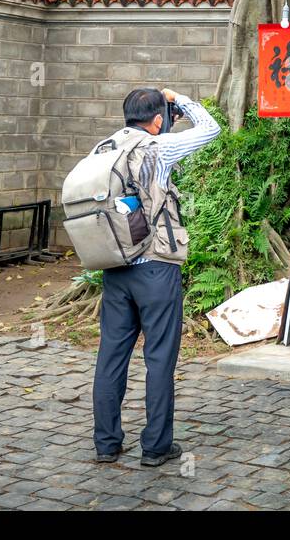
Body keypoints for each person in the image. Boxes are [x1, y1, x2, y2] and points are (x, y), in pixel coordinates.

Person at [92, 87, 220, 466]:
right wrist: (179, 98)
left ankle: (106, 444)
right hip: (156, 267)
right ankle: (156, 447)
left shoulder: (104, 148)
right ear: (159, 119)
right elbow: (210, 129)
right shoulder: (159, 149)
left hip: (115, 267)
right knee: (160, 357)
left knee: (111, 356)